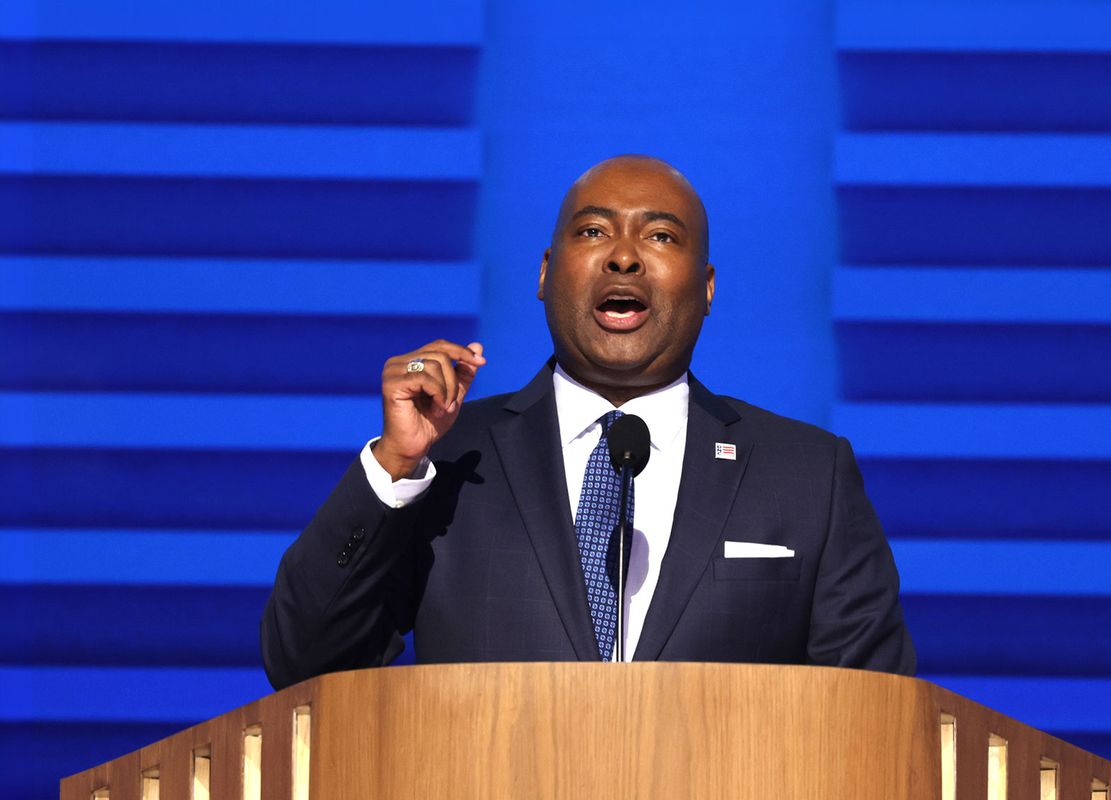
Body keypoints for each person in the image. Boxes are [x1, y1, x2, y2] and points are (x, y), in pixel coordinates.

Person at [261, 155, 915, 689]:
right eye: (594, 232)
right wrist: (394, 470)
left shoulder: (805, 475)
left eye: (660, 236)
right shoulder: (452, 458)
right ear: (546, 275)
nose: (624, 257)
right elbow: (307, 664)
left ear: (707, 287)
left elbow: (873, 722)